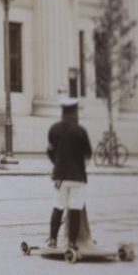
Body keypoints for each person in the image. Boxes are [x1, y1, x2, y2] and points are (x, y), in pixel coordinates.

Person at [46, 96, 93, 250]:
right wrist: (81, 168)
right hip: (77, 177)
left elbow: (50, 151)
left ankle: (52, 240)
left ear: (62, 111)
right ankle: (72, 242)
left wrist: (57, 164)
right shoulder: (81, 131)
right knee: (75, 209)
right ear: (75, 112)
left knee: (58, 206)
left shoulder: (54, 129)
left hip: (60, 176)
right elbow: (88, 155)